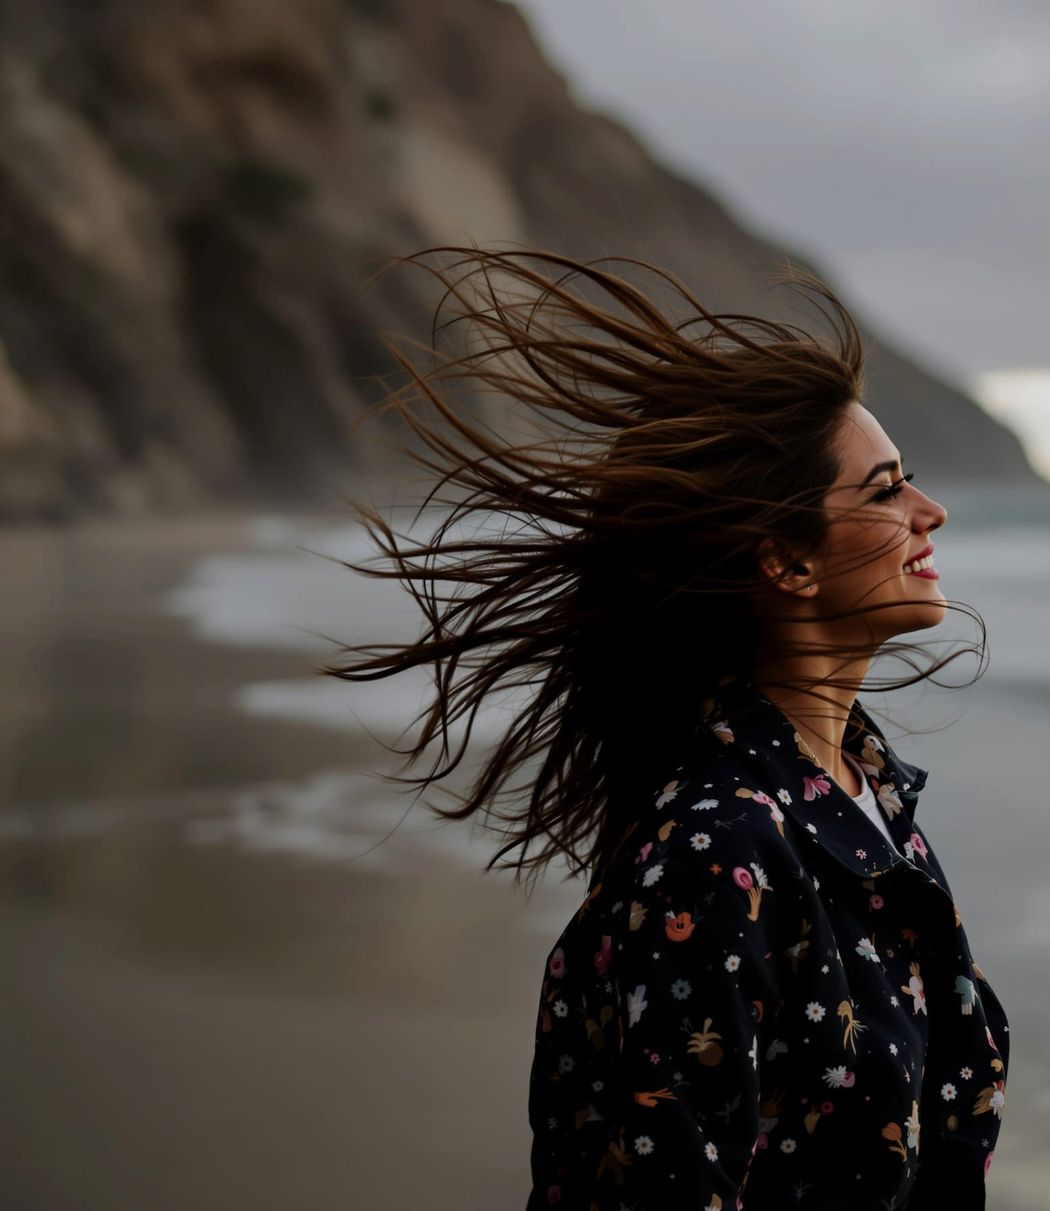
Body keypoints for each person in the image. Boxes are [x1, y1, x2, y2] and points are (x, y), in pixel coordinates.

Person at [319, 246, 1008, 1208]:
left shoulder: (864, 792)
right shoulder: (715, 847)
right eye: (886, 489)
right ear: (788, 563)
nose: (930, 512)